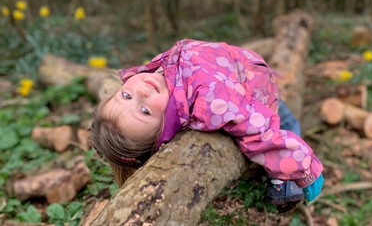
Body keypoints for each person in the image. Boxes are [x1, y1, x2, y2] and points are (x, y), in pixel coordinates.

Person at [90, 39, 324, 209]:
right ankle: (283, 179)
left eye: (125, 96)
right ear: (165, 131)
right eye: (144, 110)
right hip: (256, 88)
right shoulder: (209, 103)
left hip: (244, 66)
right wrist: (305, 169)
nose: (141, 89)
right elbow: (259, 132)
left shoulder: (162, 74)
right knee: (286, 122)